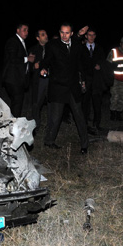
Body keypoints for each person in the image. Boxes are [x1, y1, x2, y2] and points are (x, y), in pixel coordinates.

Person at [40, 23, 89, 154]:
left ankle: (85, 144)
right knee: (55, 117)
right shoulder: (53, 45)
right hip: (58, 87)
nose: (64, 35)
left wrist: (83, 80)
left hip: (73, 87)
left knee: (79, 116)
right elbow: (46, 60)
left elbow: (80, 64)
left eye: (67, 33)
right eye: (62, 32)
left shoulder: (77, 45)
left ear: (71, 34)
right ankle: (49, 141)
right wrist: (43, 68)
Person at [2, 23, 35, 117]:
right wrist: (27, 59)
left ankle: (12, 122)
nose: (27, 32)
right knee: (17, 104)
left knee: (16, 103)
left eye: (28, 30)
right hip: (13, 79)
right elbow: (12, 59)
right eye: (24, 30)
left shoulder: (21, 42)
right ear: (18, 30)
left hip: (19, 79)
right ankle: (13, 126)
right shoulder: (13, 41)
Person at [82, 28, 111, 134]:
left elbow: (104, 62)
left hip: (97, 80)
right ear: (86, 36)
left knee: (97, 103)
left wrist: (100, 66)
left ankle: (96, 124)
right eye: (89, 35)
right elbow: (80, 63)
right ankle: (84, 124)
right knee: (85, 102)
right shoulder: (81, 48)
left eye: (93, 35)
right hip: (86, 79)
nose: (91, 37)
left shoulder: (99, 48)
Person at [107, 36, 123, 121]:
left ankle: (118, 114)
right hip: (115, 79)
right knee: (114, 97)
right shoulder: (114, 51)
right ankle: (112, 114)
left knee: (122, 97)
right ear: (120, 44)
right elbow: (107, 65)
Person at [29, 29, 49, 126]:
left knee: (52, 103)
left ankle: (51, 124)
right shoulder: (33, 50)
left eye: (45, 34)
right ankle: (36, 123)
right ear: (38, 38)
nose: (46, 36)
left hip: (51, 80)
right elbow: (28, 67)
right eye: (42, 35)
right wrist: (34, 67)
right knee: (37, 103)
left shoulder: (51, 48)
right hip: (39, 80)